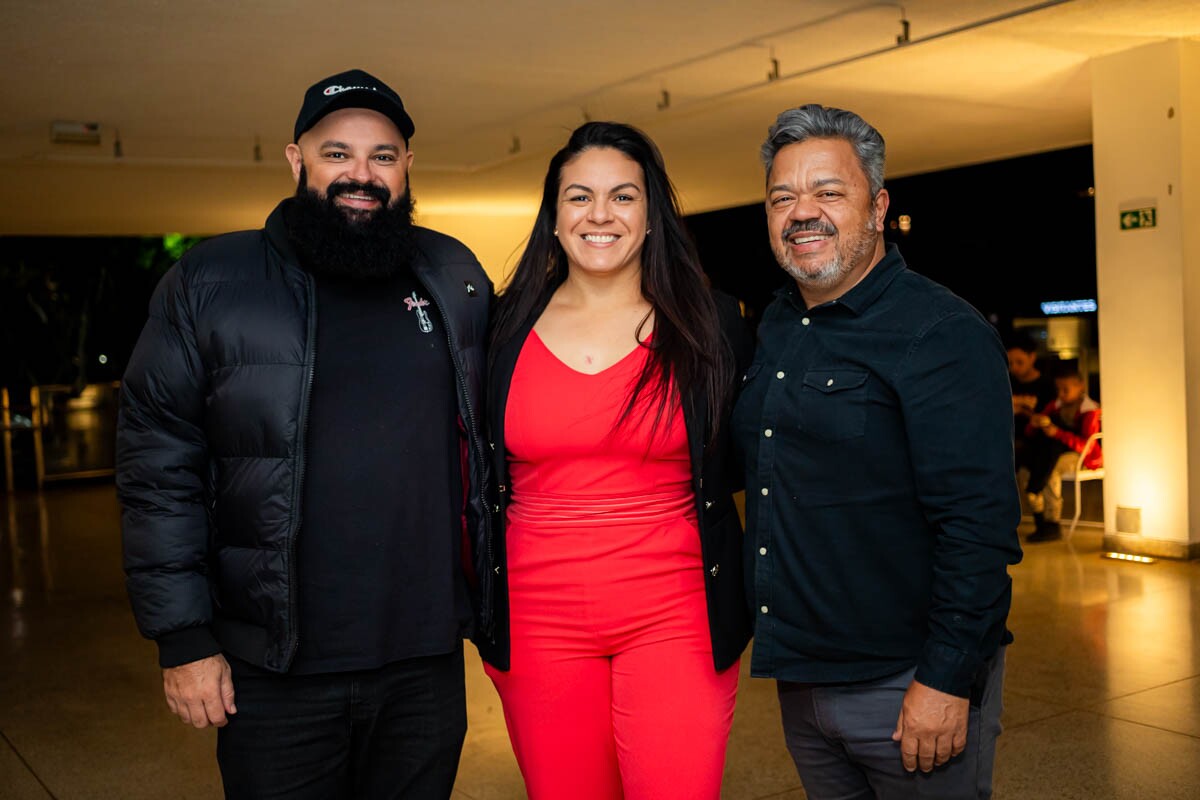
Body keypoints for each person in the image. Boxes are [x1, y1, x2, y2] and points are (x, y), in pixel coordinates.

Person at [115, 69, 492, 799]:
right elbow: (156, 464)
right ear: (296, 161)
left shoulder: (452, 274)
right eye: (337, 153)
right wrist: (184, 638)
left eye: (383, 156)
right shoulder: (210, 281)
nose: (361, 174)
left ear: (408, 168)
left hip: (425, 664)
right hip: (274, 671)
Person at [733, 104, 1022, 799]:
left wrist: (945, 679)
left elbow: (978, 526)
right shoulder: (775, 325)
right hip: (802, 681)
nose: (803, 212)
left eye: (828, 192)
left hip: (906, 684)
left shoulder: (940, 332)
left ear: (879, 205)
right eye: (783, 197)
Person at [476, 121, 752, 799]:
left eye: (623, 196)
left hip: (678, 613)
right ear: (554, 215)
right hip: (535, 619)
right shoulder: (497, 326)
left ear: (653, 215)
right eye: (580, 196)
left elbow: (750, 457)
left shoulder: (712, 323)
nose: (600, 215)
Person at [1020, 365, 1102, 542]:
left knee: (1050, 469)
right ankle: (1039, 517)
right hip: (1056, 451)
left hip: (1082, 456)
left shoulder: (1090, 410)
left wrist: (1057, 433)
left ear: (1081, 386)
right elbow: (1031, 431)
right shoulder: (1055, 406)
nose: (1062, 393)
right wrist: (1035, 424)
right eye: (1059, 389)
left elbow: (1086, 445)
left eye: (1066, 389)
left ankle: (1052, 520)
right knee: (1032, 466)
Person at [1006, 332, 1057, 460]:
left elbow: (1048, 418)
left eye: (1019, 362)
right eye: (1010, 363)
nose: (1014, 368)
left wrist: (1020, 409)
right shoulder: (1006, 383)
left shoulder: (1047, 385)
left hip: (1036, 444)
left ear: (1032, 357)